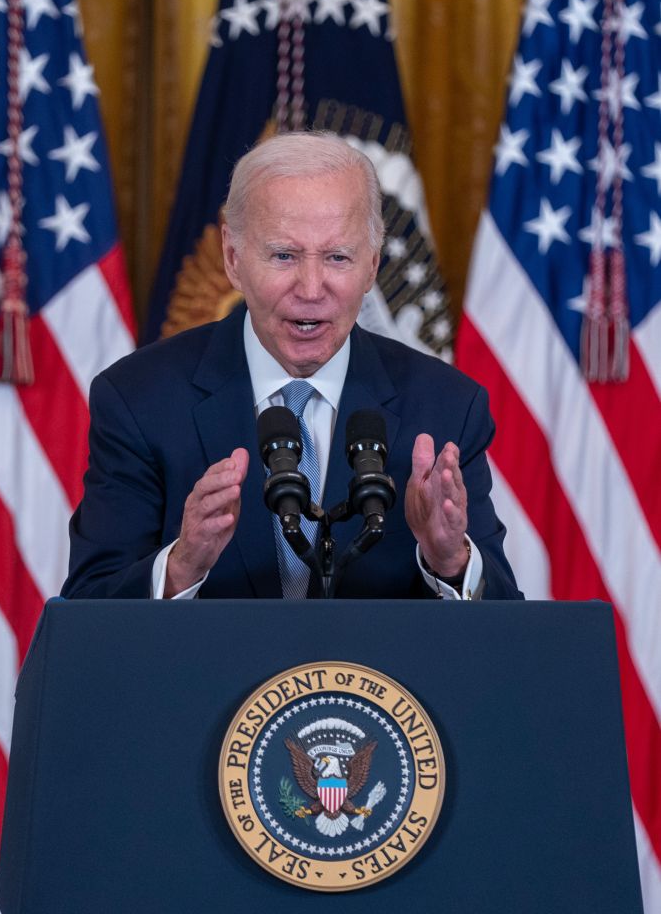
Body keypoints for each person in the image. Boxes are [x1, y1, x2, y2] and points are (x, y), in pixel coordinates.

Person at [63, 132, 522, 601]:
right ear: (233, 257)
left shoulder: (446, 407)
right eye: (284, 255)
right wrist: (181, 567)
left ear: (372, 265)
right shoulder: (139, 400)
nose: (310, 288)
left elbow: (507, 633)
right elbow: (87, 611)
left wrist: (450, 562)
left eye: (337, 257)